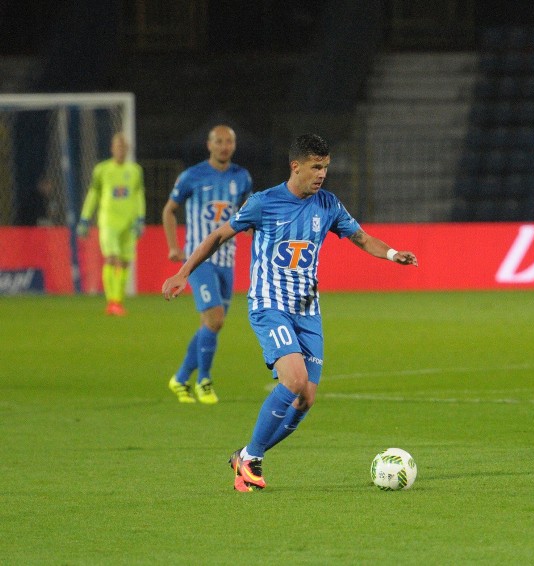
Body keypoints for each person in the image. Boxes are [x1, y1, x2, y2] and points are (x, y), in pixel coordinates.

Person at [162, 133, 418, 491]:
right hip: (270, 306)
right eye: (316, 167)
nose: (322, 174)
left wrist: (393, 255)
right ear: (295, 166)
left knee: (306, 398)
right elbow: (218, 236)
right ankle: (251, 460)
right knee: (294, 380)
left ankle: (247, 454)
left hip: (307, 311)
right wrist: (183, 272)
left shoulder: (328, 204)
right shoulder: (263, 203)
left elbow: (361, 237)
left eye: (326, 167)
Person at [162, 125, 253, 405]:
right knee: (215, 319)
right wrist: (174, 247)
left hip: (227, 259)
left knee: (210, 325)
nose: (224, 146)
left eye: (229, 142)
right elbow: (169, 210)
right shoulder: (192, 176)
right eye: (219, 141)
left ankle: (179, 379)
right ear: (209, 145)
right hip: (199, 260)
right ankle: (204, 380)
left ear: (234, 146)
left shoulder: (242, 177)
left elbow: (248, 213)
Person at [77, 132, 146, 316]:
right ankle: (112, 301)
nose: (120, 151)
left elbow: (138, 195)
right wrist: (85, 218)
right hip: (108, 221)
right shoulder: (102, 170)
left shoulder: (135, 171)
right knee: (111, 258)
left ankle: (118, 301)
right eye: (117, 147)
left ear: (127, 150)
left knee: (124, 262)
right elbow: (93, 194)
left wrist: (140, 218)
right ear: (112, 149)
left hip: (129, 223)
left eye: (123, 147)